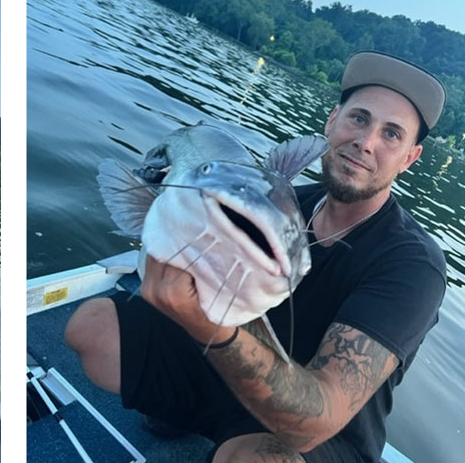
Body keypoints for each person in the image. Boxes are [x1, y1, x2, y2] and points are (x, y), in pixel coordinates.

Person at [65, 51, 448, 462]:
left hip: (320, 435)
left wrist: (206, 323)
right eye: (359, 118)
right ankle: (189, 415)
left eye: (391, 134)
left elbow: (317, 420)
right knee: (93, 329)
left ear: (409, 158)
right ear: (332, 121)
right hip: (226, 368)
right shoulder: (280, 202)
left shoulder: (413, 264)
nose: (366, 142)